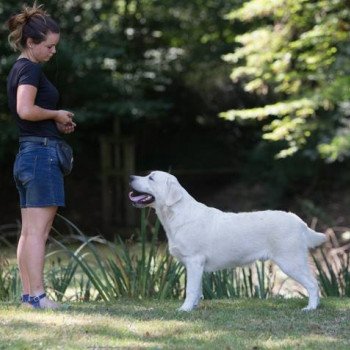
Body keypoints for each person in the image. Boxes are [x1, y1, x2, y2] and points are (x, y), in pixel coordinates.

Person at [6, 3, 76, 309]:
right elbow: (25, 109)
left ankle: (27, 296)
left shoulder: (19, 68)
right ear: (31, 43)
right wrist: (57, 112)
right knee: (38, 232)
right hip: (40, 156)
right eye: (48, 46)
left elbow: (28, 112)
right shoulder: (30, 68)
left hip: (29, 154)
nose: (53, 52)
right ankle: (38, 297)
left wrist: (56, 120)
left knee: (29, 231)